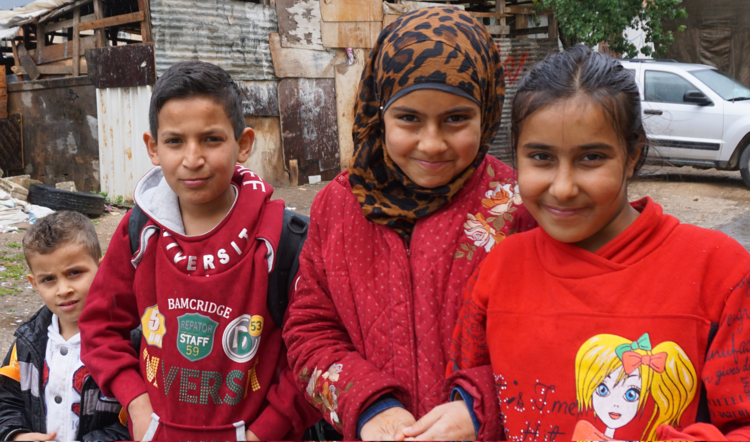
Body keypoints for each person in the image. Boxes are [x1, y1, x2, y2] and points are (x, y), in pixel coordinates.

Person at [448, 45, 750, 441]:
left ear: (632, 156)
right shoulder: (499, 269)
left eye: (591, 158)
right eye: (540, 157)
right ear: (516, 156)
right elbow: (471, 385)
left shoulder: (719, 271)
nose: (563, 187)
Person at [282, 7, 535, 441]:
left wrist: (480, 409)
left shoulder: (519, 207)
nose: (432, 143)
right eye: (409, 118)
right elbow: (309, 331)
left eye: (456, 118)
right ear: (379, 110)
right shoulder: (337, 207)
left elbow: (558, 336)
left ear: (487, 112)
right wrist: (368, 406)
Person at [79, 61, 318, 441]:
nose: (193, 158)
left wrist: (267, 429)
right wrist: (138, 404)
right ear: (153, 148)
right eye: (175, 141)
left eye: (211, 139)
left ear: (243, 143)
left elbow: (314, 350)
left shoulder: (282, 241)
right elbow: (99, 327)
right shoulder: (140, 231)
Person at [0, 211, 130, 441]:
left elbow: (136, 420)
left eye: (75, 273)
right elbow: (6, 399)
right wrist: (17, 435)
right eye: (48, 279)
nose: (63, 290)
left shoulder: (129, 341)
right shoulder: (26, 344)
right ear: (34, 283)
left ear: (102, 269)